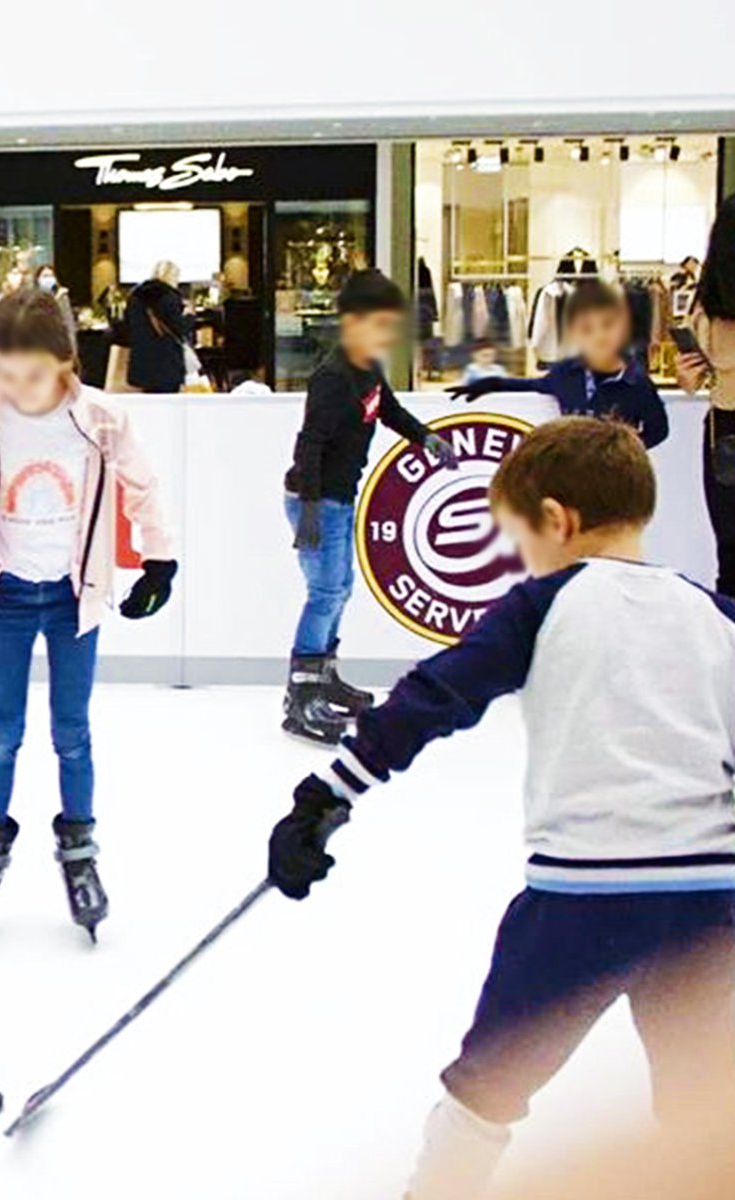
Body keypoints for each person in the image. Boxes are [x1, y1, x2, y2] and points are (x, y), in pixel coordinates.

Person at [267, 418, 735, 1200]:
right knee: (703, 1108)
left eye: (524, 537)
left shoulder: (543, 606)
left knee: (488, 1086)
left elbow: (432, 698)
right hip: (707, 906)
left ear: (559, 521)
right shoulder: (714, 616)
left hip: (580, 902)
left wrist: (324, 796)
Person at [0, 289, 177, 942]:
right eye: (9, 369)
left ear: (66, 361)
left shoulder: (100, 419)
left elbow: (142, 487)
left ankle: (80, 854)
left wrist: (159, 560)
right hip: (6, 598)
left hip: (74, 598)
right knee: (2, 733)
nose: (20, 385)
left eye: (34, 371)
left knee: (72, 733)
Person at [282, 269, 458, 744]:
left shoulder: (368, 369)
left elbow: (389, 411)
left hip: (340, 497)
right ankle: (300, 698)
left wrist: (425, 437)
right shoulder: (333, 377)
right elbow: (309, 445)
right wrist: (312, 512)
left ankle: (324, 677)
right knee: (324, 593)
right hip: (317, 499)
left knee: (340, 589)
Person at [450, 279, 668, 449]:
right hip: (572, 476)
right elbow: (531, 385)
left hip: (618, 480)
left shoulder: (636, 382)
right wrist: (488, 384)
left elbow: (658, 430)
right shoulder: (567, 373)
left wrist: (626, 449)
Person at [678, 194, 735, 596]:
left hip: (723, 431)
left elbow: (693, 380)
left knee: (730, 557)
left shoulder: (705, 308)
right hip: (724, 430)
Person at [126, 259, 192, 393]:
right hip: (166, 363)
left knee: (150, 403)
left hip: (142, 361)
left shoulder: (136, 297)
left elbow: (126, 327)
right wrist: (190, 316)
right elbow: (179, 329)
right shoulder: (169, 297)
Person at [34, 262, 77, 354]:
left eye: (50, 276)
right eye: (45, 276)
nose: (48, 279)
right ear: (38, 279)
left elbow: (69, 323)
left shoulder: (62, 296)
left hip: (58, 344)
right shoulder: (33, 298)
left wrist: (73, 349)